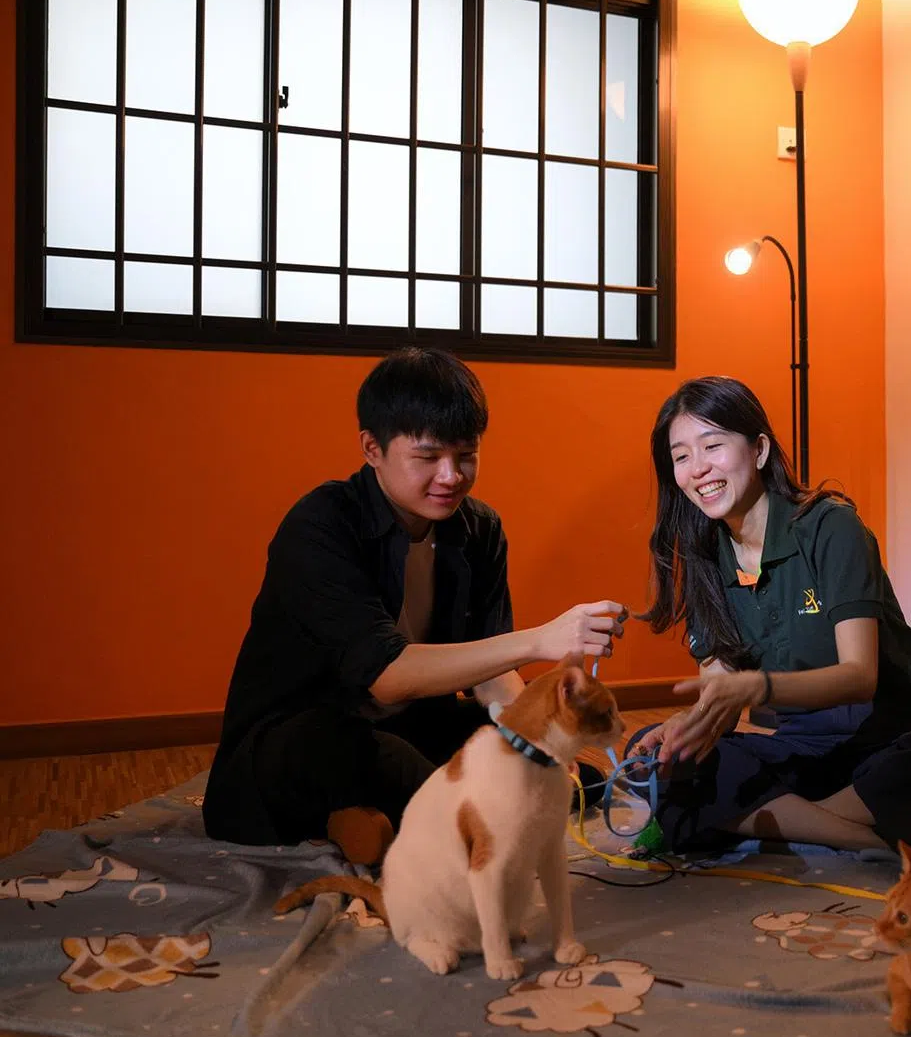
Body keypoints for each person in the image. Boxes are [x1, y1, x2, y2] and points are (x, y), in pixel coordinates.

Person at [203, 347, 626, 863]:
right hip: (304, 734)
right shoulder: (319, 526)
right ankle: (365, 816)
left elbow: (491, 676)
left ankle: (359, 820)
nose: (451, 476)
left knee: (571, 774)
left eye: (465, 454)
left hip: (405, 723)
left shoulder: (479, 530)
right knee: (393, 766)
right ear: (372, 448)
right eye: (428, 457)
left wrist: (530, 737)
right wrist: (540, 639)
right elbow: (388, 675)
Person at [628, 376, 911, 859]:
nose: (698, 469)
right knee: (652, 755)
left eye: (713, 446)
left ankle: (781, 821)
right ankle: (864, 837)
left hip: (887, 741)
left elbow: (859, 677)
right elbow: (718, 695)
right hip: (804, 749)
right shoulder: (706, 556)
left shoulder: (830, 528)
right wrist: (687, 727)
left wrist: (759, 688)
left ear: (759, 450)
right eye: (681, 456)